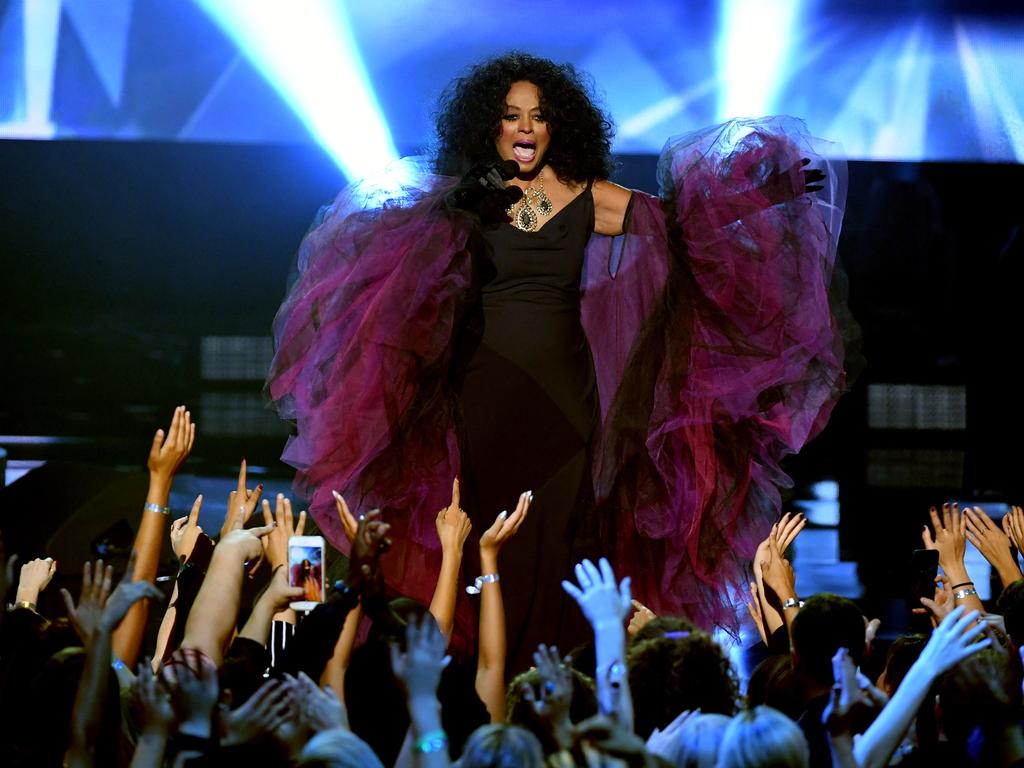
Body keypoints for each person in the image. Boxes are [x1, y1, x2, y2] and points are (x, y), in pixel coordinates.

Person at [266, 52, 850, 670]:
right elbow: (394, 274)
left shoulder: (586, 197)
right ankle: (481, 679)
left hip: (566, 398)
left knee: (557, 531)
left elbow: (682, 228)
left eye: (538, 117)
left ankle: (549, 680)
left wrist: (766, 194)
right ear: (487, 126)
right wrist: (462, 204)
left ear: (558, 127)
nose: (525, 128)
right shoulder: (464, 200)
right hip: (482, 397)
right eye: (511, 116)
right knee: (486, 532)